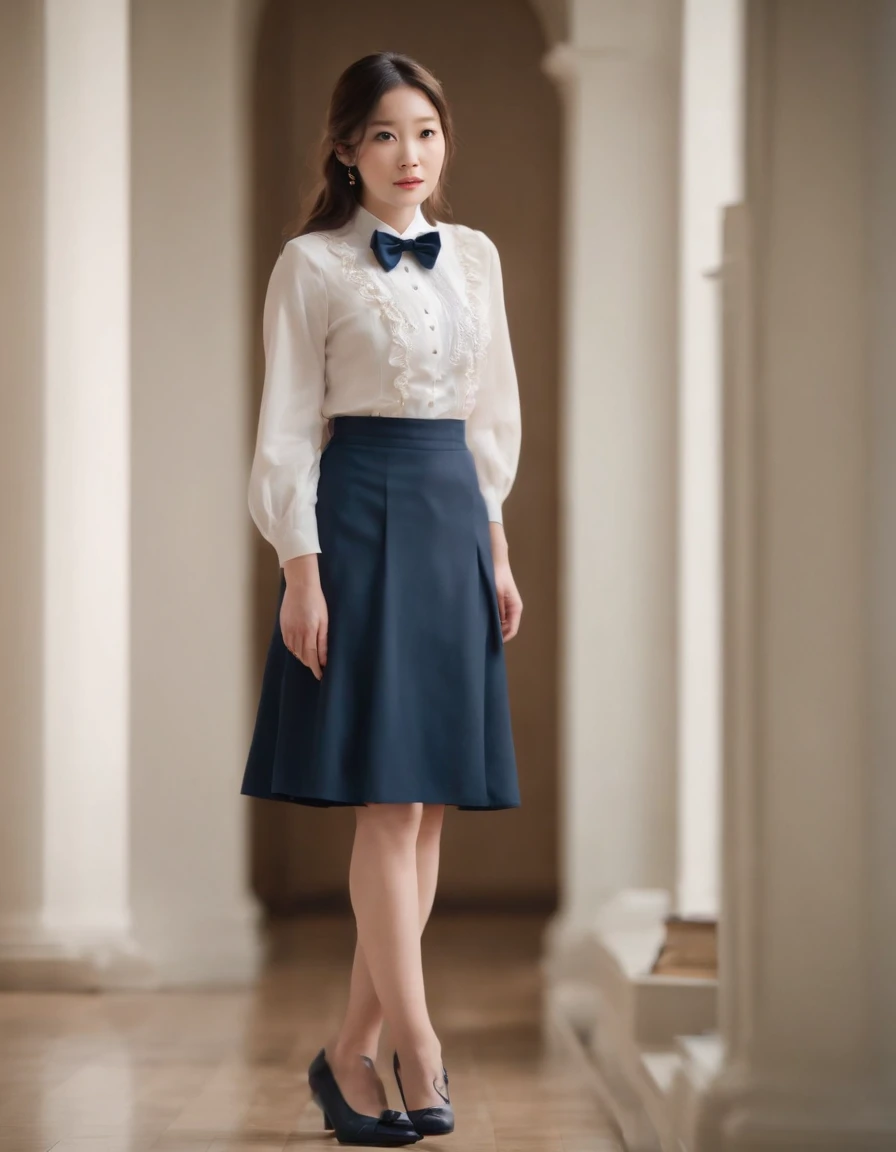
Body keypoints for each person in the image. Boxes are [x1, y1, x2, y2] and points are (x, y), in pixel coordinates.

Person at [240, 50, 523, 1147]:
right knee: (384, 802)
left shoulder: (478, 259)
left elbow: (490, 416)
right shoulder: (310, 265)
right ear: (346, 152)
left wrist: (495, 550)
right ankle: (417, 1040)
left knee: (429, 803)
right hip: (356, 518)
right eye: (385, 136)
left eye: (426, 133)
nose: (410, 157)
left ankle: (349, 1056)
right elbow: (282, 432)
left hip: (454, 516)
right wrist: (298, 567)